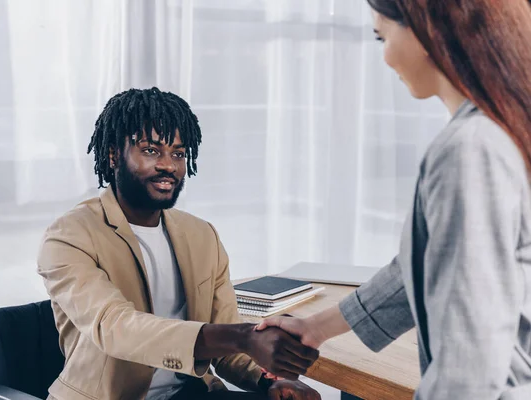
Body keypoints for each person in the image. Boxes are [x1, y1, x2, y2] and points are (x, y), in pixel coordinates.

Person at [257, 1, 531, 398]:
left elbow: (468, 360)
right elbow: (424, 262)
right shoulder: (497, 128)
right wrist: (317, 327)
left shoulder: (470, 149)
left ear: (424, 31)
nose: (385, 58)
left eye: (382, 36)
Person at [38, 87, 321, 400]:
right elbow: (116, 328)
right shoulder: (69, 236)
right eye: (151, 151)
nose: (168, 166)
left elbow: (226, 350)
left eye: (178, 153)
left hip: (190, 393)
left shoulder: (202, 236)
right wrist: (242, 337)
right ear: (113, 155)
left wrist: (268, 381)